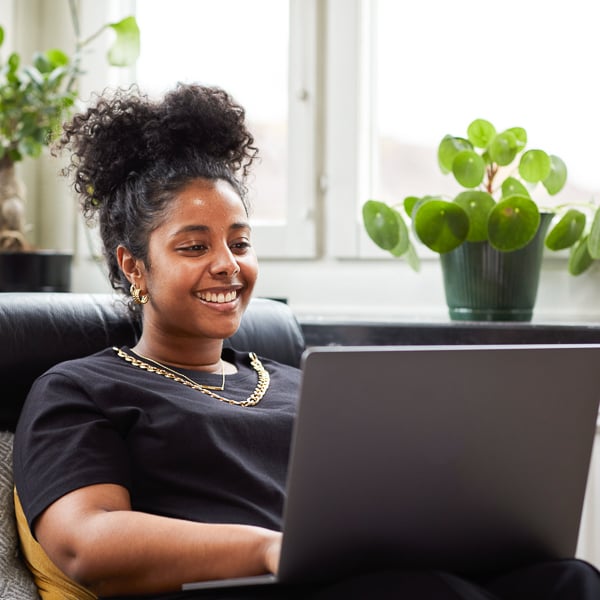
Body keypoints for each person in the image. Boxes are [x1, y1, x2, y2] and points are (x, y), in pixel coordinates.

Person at [12, 83, 600, 600]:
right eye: (194, 247)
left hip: (371, 579)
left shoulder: (305, 383)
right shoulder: (80, 389)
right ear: (134, 266)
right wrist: (271, 549)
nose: (228, 266)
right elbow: (87, 543)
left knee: (568, 579)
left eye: (240, 243)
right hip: (242, 589)